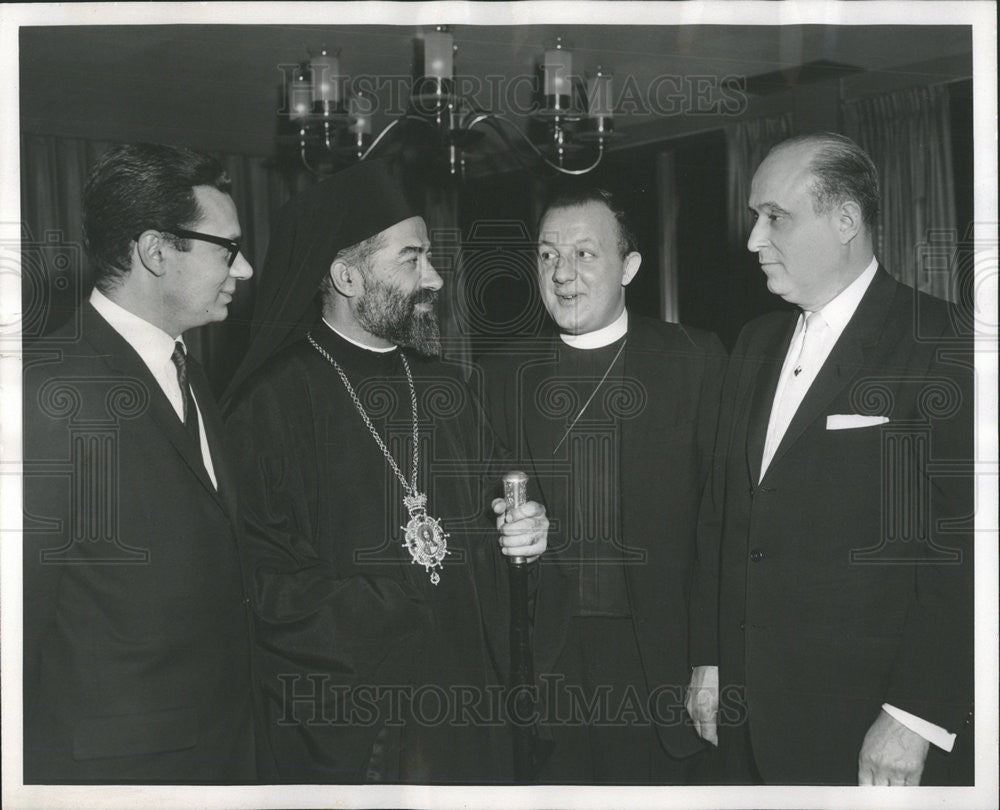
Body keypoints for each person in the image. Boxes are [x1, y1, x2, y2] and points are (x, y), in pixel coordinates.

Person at [222, 159, 548, 784]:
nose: (435, 278)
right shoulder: (270, 403)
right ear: (346, 275)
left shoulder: (449, 388)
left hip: (463, 711)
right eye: (412, 258)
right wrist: (386, 609)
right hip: (353, 725)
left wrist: (525, 534)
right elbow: (256, 578)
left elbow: (497, 522)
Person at [686, 132, 974, 785]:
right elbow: (724, 517)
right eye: (754, 218)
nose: (754, 239)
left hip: (875, 725)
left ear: (846, 220)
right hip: (752, 715)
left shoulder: (945, 343)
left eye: (775, 218)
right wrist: (711, 658)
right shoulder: (754, 343)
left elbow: (969, 551)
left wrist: (915, 715)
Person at [22, 142, 258, 782]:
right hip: (113, 776)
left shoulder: (192, 372)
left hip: (216, 754)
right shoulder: (46, 390)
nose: (245, 270)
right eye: (227, 249)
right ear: (157, 251)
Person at [478, 187, 727, 784]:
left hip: (668, 662)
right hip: (548, 666)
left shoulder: (695, 360)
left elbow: (725, 520)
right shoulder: (498, 374)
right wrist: (504, 525)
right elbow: (471, 518)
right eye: (546, 256)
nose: (562, 274)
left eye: (585, 254)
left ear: (630, 267)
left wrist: (715, 657)